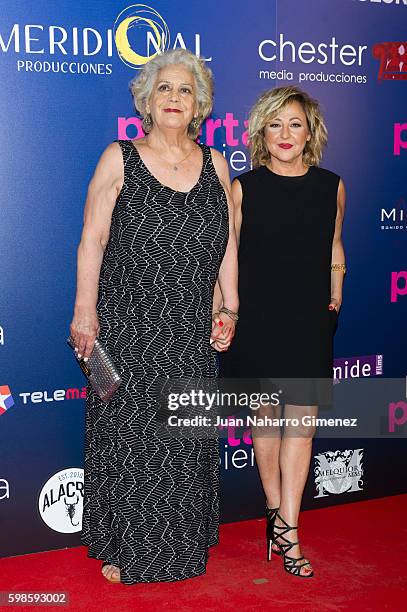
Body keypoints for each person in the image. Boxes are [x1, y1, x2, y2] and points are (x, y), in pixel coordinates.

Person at [69, 48, 238, 585]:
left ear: (200, 105)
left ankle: (181, 548)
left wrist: (228, 306)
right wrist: (83, 312)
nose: (174, 98)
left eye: (184, 90)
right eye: (163, 88)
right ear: (146, 100)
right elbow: (92, 240)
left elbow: (226, 245)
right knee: (129, 440)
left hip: (191, 327)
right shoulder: (119, 157)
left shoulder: (216, 164)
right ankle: (127, 547)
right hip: (127, 325)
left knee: (184, 441)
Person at [220, 86, 346, 578]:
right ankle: (274, 510)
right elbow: (226, 258)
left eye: (295, 123)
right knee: (268, 425)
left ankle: (289, 530)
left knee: (302, 427)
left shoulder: (331, 185)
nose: (286, 134)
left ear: (310, 131)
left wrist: (337, 291)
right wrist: (224, 312)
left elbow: (335, 244)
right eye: (276, 124)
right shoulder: (243, 188)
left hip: (309, 319)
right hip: (258, 320)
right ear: (261, 134)